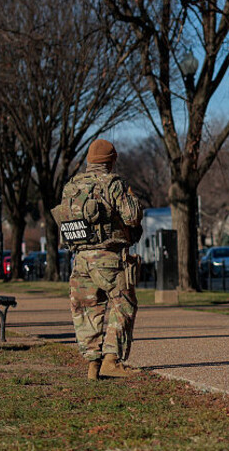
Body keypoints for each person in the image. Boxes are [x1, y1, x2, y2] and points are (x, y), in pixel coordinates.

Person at [52, 138, 142, 381]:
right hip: (109, 258)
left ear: (90, 160)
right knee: (123, 304)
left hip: (80, 259)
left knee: (86, 310)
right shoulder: (113, 184)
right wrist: (131, 198)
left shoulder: (71, 187)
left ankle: (92, 365)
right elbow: (132, 217)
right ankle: (111, 360)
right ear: (111, 160)